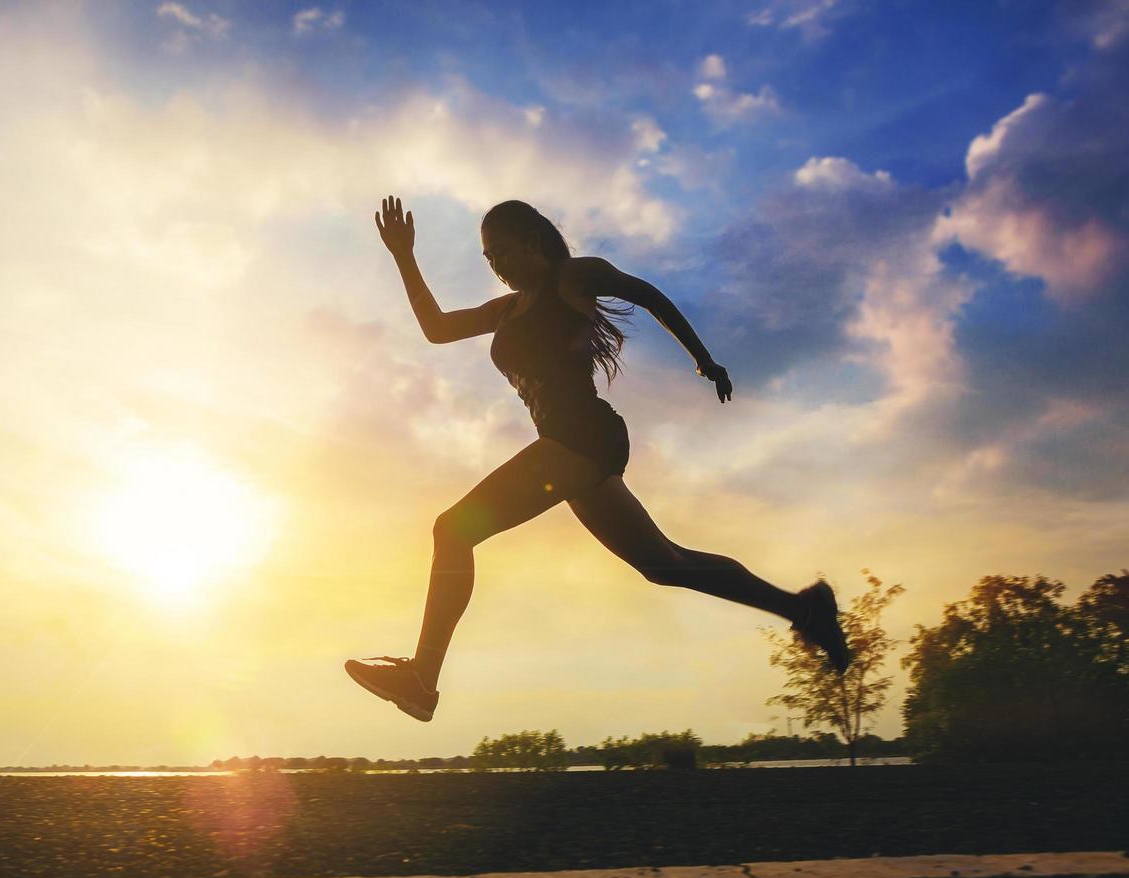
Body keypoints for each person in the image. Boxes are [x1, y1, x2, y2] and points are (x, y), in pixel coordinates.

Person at [344, 196, 850, 722]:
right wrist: (404, 255)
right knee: (666, 565)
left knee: (453, 530)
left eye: (502, 251)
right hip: (569, 448)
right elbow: (438, 328)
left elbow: (649, 295)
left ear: (533, 240)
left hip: (580, 436)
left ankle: (422, 678)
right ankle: (803, 608)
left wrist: (704, 360)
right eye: (488, 258)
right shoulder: (506, 310)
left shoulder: (572, 278)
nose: (495, 264)